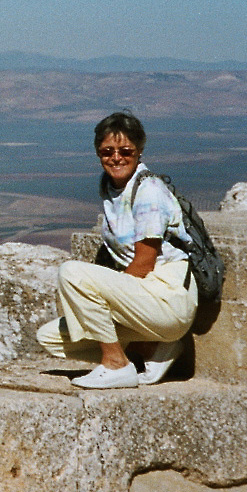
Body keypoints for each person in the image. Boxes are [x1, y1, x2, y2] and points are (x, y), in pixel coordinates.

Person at [36, 112, 197, 389]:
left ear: (139, 151)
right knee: (50, 336)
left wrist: (106, 302)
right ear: (98, 153)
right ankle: (153, 350)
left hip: (167, 298)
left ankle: (116, 364)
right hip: (145, 300)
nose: (116, 158)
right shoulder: (112, 190)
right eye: (107, 151)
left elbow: (145, 263)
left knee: (73, 273)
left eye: (126, 151)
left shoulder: (148, 191)